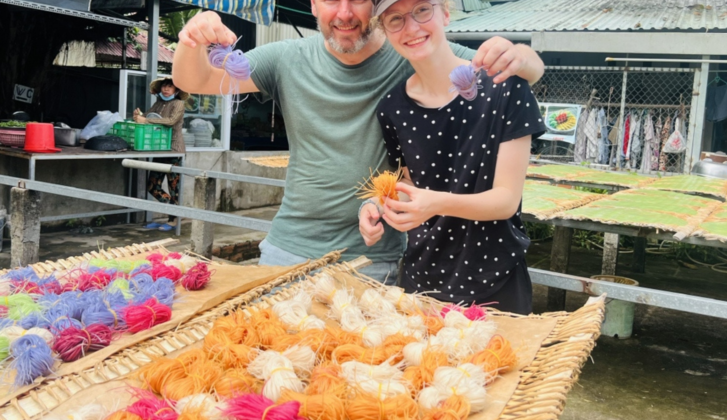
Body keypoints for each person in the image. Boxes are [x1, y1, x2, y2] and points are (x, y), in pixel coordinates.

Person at [172, 6, 544, 284]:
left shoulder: (409, 49)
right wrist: (191, 38)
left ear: (378, 10)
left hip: (373, 258)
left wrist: (524, 56)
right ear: (315, 5)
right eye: (332, 0)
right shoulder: (286, 59)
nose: (345, 13)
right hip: (287, 247)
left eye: (359, 1)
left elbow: (508, 70)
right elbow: (198, 79)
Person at [359, 0, 546, 314]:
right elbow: (408, 181)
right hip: (422, 281)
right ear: (385, 31)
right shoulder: (392, 108)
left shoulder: (505, 87)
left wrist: (435, 202)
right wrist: (377, 205)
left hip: (495, 280)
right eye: (395, 19)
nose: (412, 27)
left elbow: (505, 200)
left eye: (422, 10)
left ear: (445, 13)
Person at [134, 77, 188, 232]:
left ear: (176, 90)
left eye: (170, 87)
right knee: (152, 185)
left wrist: (145, 121)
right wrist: (138, 116)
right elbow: (147, 117)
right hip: (159, 149)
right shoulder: (158, 103)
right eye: (164, 86)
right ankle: (176, 213)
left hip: (174, 149)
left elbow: (170, 121)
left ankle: (173, 220)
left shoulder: (178, 104)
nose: (166, 89)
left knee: (173, 188)